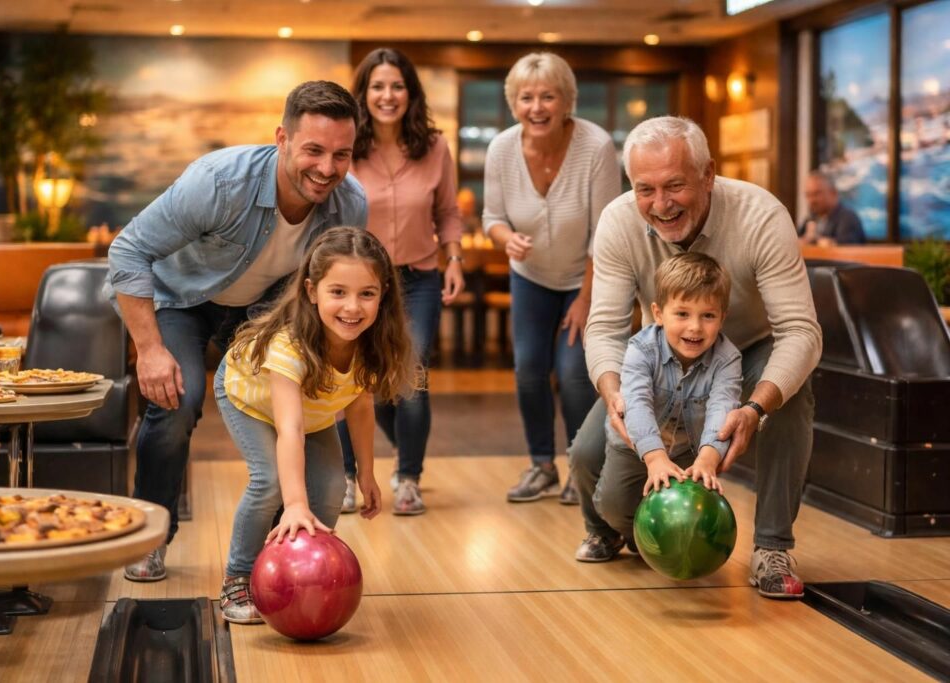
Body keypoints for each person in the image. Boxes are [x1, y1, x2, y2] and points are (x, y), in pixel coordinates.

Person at [106, 81, 367, 582]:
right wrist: (150, 349)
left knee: (288, 401)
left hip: (263, 310)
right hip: (181, 299)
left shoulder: (350, 204)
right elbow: (128, 250)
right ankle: (151, 538)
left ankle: (280, 548)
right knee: (176, 401)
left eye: (342, 155)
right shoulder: (220, 182)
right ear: (282, 139)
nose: (327, 168)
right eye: (313, 150)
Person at [573, 116, 822, 599]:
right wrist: (615, 394)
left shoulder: (760, 215)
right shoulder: (619, 222)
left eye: (675, 186)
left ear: (708, 175)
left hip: (747, 350)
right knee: (586, 455)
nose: (660, 204)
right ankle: (613, 527)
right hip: (660, 361)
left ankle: (771, 547)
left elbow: (800, 331)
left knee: (791, 395)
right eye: (645, 189)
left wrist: (755, 408)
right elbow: (603, 329)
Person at [215, 227, 416, 624]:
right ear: (311, 291)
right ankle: (237, 578)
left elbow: (359, 405)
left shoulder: (372, 342)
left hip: (313, 410)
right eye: (337, 292)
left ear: (383, 294)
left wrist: (367, 473)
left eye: (367, 294)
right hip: (249, 398)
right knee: (270, 482)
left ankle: (289, 567)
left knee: (330, 489)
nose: (352, 307)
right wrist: (294, 504)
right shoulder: (290, 344)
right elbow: (289, 429)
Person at [482, 52, 621, 504]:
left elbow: (606, 231)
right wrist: (507, 239)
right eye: (526, 98)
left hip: (585, 278)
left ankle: (581, 468)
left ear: (567, 101)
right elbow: (492, 217)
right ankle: (541, 465)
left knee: (574, 373)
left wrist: (586, 298)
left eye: (548, 96)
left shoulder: (596, 146)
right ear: (513, 103)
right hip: (530, 277)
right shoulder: (501, 149)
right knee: (528, 371)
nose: (537, 107)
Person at [338, 47, 465, 516]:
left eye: (396, 86)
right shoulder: (348, 147)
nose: (387, 95)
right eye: (377, 86)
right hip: (359, 283)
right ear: (363, 94)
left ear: (410, 93)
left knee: (411, 378)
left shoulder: (434, 146)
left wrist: (454, 259)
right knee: (352, 380)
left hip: (418, 280)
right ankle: (345, 476)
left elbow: (447, 212)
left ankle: (408, 477)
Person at [592, 253, 742, 551]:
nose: (695, 327)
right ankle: (611, 532)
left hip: (688, 450)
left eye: (708, 316)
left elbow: (722, 408)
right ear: (659, 314)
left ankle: (654, 543)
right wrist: (654, 458)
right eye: (682, 314)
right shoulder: (641, 349)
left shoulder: (728, 358)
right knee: (612, 507)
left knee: (686, 516)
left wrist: (708, 459)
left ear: (722, 317)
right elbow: (636, 403)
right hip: (635, 445)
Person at [798, 170, 866, 245]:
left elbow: (845, 246)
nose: (812, 200)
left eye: (817, 194)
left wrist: (816, 241)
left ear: (833, 193)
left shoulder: (848, 218)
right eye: (808, 195)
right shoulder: (811, 218)